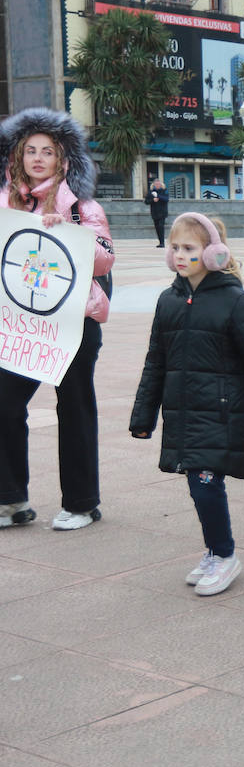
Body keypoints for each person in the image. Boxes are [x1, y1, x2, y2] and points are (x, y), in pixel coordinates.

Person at [130, 213, 244, 596]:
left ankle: (225, 556)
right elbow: (155, 361)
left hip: (219, 410)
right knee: (197, 485)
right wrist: (143, 416)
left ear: (213, 253)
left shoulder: (234, 300)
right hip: (182, 411)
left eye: (189, 248)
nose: (179, 255)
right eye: (175, 248)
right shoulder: (168, 301)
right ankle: (214, 551)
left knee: (205, 483)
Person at [0, 108, 115, 531]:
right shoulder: (3, 202)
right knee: (4, 404)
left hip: (74, 323)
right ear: (16, 155)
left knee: (75, 407)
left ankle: (82, 503)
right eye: (29, 150)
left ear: (62, 159)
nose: (37, 158)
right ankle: (11, 499)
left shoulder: (81, 205)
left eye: (46, 151)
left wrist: (67, 228)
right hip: (19, 325)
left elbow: (104, 259)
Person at [145, 177, 169, 247]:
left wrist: (158, 196)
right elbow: (146, 201)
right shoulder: (151, 192)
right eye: (156, 184)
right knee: (157, 227)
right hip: (154, 212)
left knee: (161, 226)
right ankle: (160, 242)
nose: (157, 185)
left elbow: (166, 199)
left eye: (158, 184)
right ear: (154, 185)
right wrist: (153, 200)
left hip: (162, 212)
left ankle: (162, 243)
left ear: (161, 184)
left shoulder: (164, 191)